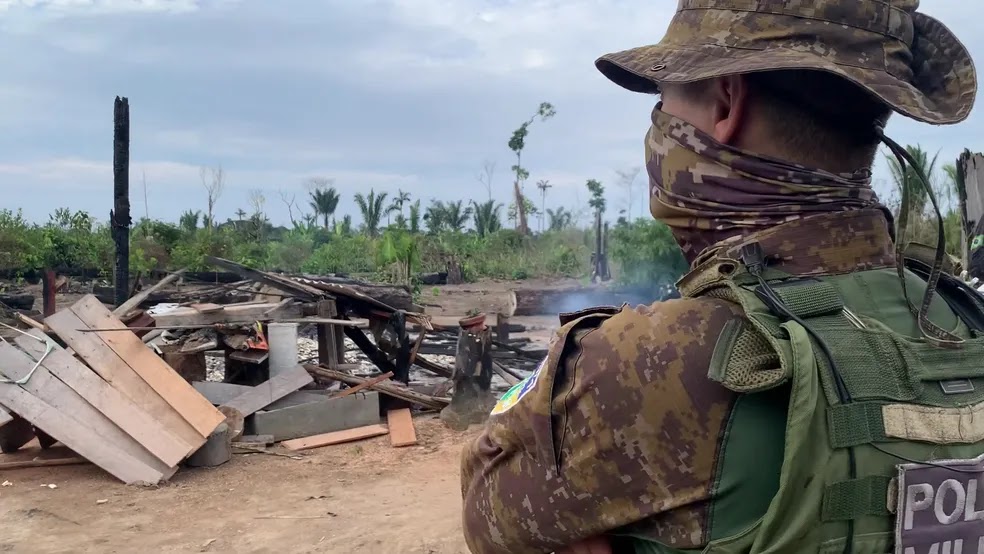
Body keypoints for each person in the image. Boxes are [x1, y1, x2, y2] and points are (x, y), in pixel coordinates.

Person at [460, 1, 981, 553]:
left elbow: (487, 513)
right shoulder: (962, 317)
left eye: (664, 101)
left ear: (727, 100)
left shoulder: (649, 361)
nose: (658, 125)